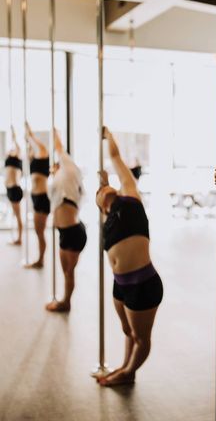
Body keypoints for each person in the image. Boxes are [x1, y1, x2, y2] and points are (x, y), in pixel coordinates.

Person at [95, 127, 163, 386]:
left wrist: (108, 135)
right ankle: (125, 367)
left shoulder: (131, 197)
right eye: (99, 190)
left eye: (107, 185)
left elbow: (115, 158)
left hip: (144, 283)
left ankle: (128, 372)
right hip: (120, 285)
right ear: (100, 204)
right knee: (128, 331)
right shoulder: (108, 221)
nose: (104, 188)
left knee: (141, 337)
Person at [46, 129, 87, 312]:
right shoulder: (58, 185)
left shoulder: (69, 169)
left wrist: (55, 134)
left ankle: (66, 303)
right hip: (64, 232)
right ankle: (64, 300)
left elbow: (60, 148)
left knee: (69, 272)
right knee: (66, 272)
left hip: (73, 232)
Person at [25, 122, 50, 268]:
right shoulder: (35, 160)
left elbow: (41, 147)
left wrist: (31, 134)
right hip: (36, 198)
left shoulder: (44, 155)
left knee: (40, 232)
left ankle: (40, 260)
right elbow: (30, 150)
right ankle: (39, 259)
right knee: (37, 231)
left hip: (42, 198)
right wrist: (27, 139)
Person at [4, 127, 23, 246]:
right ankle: (17, 237)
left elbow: (18, 148)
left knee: (18, 216)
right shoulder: (9, 157)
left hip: (15, 190)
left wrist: (14, 135)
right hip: (9, 189)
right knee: (15, 216)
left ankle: (19, 239)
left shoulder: (17, 157)